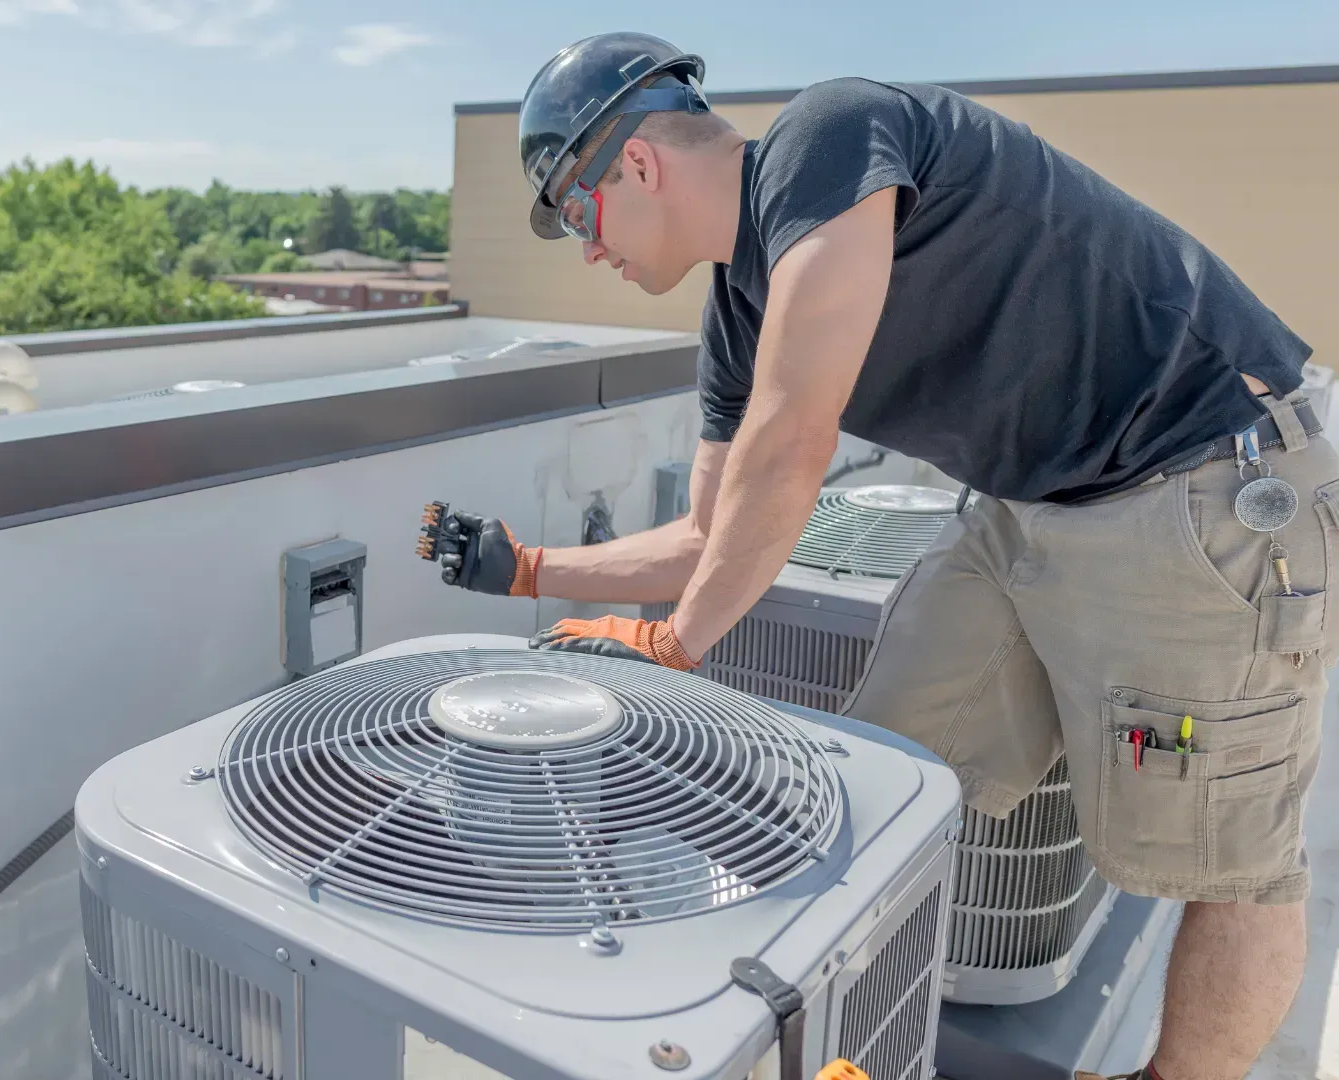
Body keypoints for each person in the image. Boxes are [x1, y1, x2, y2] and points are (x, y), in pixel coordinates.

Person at [428, 32, 1333, 1080]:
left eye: (576, 214)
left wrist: (675, 643)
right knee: (881, 776)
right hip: (1030, 504)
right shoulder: (736, 310)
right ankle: (840, 1039)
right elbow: (707, 535)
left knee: (1232, 868)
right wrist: (527, 570)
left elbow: (793, 439)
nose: (588, 252)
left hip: (1204, 479)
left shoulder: (830, 134)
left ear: (637, 162)